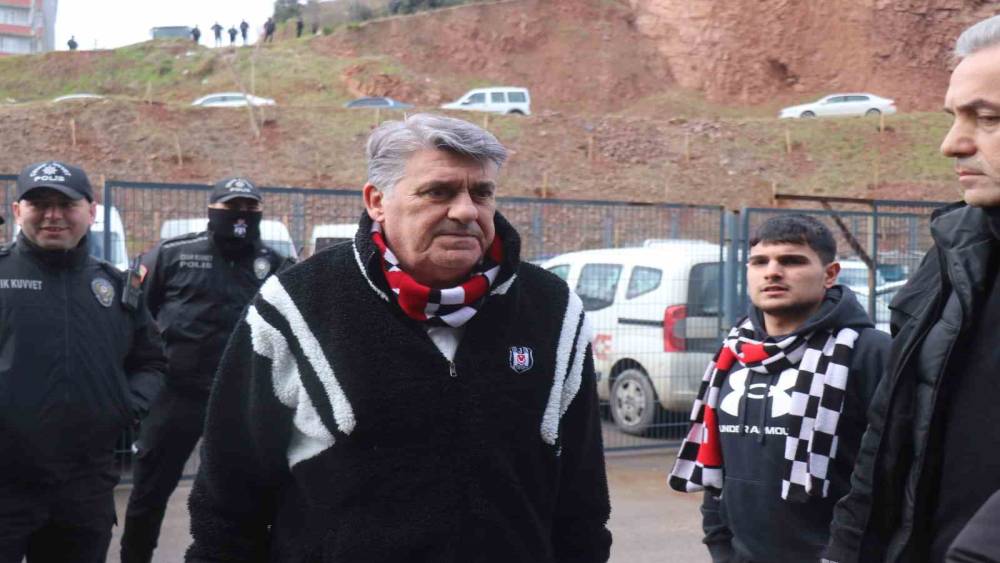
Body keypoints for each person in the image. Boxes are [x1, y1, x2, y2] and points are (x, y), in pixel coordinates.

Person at [185, 114, 612, 562]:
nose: (466, 211)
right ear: (377, 201)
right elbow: (228, 504)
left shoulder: (553, 310)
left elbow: (582, 506)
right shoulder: (296, 307)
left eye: (482, 193)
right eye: (438, 192)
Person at [826, 14, 1000, 563]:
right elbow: (889, 433)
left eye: (988, 118)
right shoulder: (950, 254)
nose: (952, 144)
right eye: (954, 118)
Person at [668, 214, 890, 562]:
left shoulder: (870, 352)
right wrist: (719, 541)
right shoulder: (733, 352)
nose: (772, 272)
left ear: (830, 274)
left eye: (792, 261)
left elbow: (888, 471)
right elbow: (717, 461)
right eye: (760, 262)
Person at [120, 177, 293, 563]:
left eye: (249, 207)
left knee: (245, 495)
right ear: (212, 210)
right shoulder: (173, 255)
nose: (241, 215)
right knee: (149, 491)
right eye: (232, 206)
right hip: (176, 395)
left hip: (241, 401)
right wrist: (141, 382)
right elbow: (136, 318)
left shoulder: (274, 264)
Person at [0, 161, 166, 563]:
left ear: (91, 211)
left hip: (85, 487)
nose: (53, 215)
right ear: (18, 211)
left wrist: (125, 405)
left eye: (66, 204)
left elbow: (151, 362)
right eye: (40, 203)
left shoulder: (115, 286)